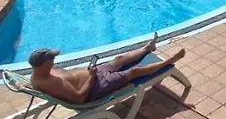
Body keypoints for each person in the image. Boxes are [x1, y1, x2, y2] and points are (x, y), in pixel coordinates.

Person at [29, 35, 185, 104]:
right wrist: (91, 76)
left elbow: (71, 76)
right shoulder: (49, 83)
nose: (54, 60)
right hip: (97, 87)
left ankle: (147, 48)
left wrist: (90, 72)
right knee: (134, 72)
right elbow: (79, 98)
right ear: (42, 64)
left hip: (94, 75)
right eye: (51, 59)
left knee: (119, 60)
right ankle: (170, 61)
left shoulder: (41, 73)